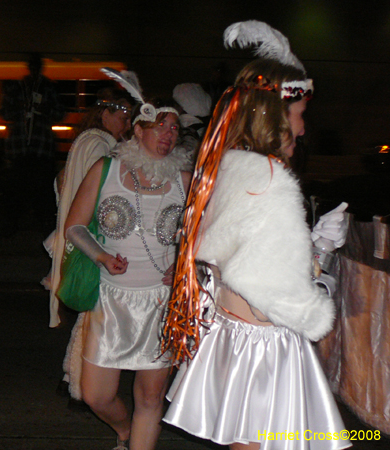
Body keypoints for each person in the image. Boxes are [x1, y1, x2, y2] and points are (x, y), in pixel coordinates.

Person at [162, 21, 351, 450]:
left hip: (232, 337)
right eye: (300, 117)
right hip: (264, 350)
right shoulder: (270, 180)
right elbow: (277, 302)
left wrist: (310, 246)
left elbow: (233, 263)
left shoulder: (228, 167)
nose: (303, 130)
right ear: (275, 115)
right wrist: (321, 255)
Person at [64, 91, 191, 449]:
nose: (168, 134)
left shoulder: (185, 180)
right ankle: (125, 432)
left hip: (162, 304)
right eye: (159, 126)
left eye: (173, 128)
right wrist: (102, 256)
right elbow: (74, 226)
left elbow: (206, 235)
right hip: (112, 302)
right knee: (96, 396)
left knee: (150, 399)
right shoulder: (106, 170)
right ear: (137, 129)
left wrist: (182, 263)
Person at [46, 87, 133, 405]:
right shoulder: (99, 145)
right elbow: (105, 199)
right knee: (94, 318)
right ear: (105, 114)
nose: (126, 121)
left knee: (92, 317)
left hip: (90, 241)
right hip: (95, 243)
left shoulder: (91, 142)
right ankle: (79, 387)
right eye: (121, 114)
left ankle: (72, 379)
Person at [0, 53, 65, 235]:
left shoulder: (48, 88)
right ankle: (11, 227)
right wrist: (20, 107)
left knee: (43, 191)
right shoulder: (17, 87)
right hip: (19, 148)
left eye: (38, 67)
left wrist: (45, 108)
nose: (35, 70)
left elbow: (60, 113)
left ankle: (45, 228)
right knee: (15, 190)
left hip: (41, 148)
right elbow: (4, 113)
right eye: (32, 66)